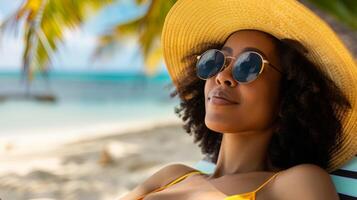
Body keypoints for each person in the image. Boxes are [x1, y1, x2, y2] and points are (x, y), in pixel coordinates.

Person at [120, 0, 357, 199]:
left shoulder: (297, 183)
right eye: (215, 61)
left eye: (248, 65)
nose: (222, 76)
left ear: (289, 94)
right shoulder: (172, 175)